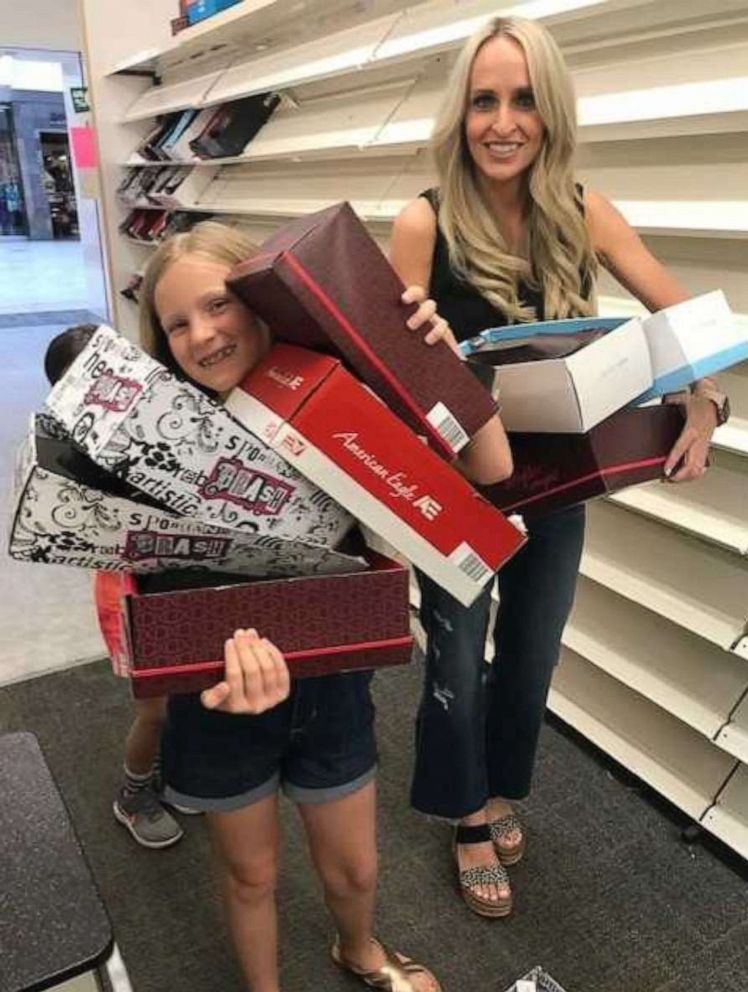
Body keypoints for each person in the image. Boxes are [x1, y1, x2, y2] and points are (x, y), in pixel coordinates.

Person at [389, 15, 726, 919]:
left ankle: (497, 784)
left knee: (532, 652)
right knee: (456, 651)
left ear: (552, 111)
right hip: (457, 485)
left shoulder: (581, 210)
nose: (504, 121)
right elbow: (390, 376)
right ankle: (464, 811)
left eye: (525, 100)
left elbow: (690, 325)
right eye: (484, 100)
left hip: (561, 482)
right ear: (461, 115)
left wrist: (705, 401)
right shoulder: (422, 221)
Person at [135, 219, 512, 992]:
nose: (202, 335)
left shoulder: (333, 395)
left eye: (217, 305)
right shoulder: (152, 439)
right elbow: (130, 584)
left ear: (261, 300)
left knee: (356, 868)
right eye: (177, 324)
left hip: (331, 675)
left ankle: (358, 947)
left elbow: (490, 466)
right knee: (250, 876)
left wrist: (425, 361)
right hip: (221, 695)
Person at [44, 323, 190, 850]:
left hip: (173, 584)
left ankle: (175, 772)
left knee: (190, 688)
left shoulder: (157, 419)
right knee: (157, 707)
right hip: (129, 595)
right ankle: (132, 795)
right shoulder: (79, 454)